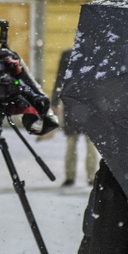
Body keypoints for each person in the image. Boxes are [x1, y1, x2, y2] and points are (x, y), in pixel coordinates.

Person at [51, 47, 99, 186]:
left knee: (77, 143)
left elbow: (60, 79)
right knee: (83, 144)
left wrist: (55, 100)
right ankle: (87, 177)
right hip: (86, 104)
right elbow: (60, 78)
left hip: (78, 104)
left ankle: (75, 177)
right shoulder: (94, 54)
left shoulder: (69, 54)